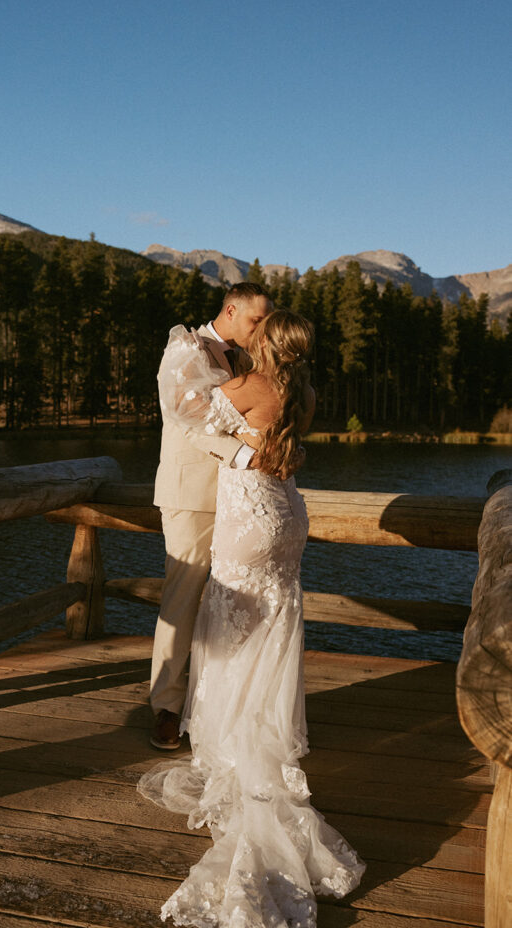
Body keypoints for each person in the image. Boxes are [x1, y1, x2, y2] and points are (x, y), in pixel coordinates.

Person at [139, 308, 365, 928]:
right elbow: (270, 444)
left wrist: (184, 347)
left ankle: (234, 757)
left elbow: (186, 413)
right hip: (289, 516)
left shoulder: (240, 387)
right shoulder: (306, 391)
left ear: (264, 343)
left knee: (227, 638)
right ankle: (262, 745)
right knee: (272, 635)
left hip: (248, 519)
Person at [150, 283, 273, 749]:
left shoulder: (244, 358)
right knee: (181, 601)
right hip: (192, 495)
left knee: (232, 603)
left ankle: (216, 704)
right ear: (231, 309)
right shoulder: (186, 346)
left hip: (239, 499)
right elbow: (186, 415)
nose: (260, 330)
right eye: (255, 321)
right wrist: (243, 455)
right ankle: (165, 706)